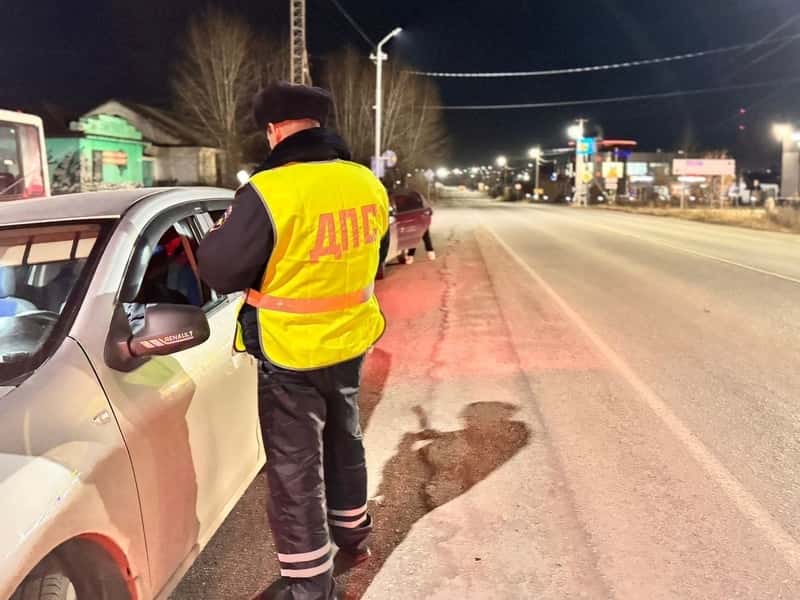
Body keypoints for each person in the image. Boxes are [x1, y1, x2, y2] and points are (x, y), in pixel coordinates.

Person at [197, 81, 390, 600]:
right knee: (344, 438)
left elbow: (220, 270)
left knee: (294, 466)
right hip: (349, 340)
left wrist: (218, 235)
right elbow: (379, 251)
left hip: (290, 350)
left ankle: (308, 585)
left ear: (274, 129)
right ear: (320, 123)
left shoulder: (268, 191)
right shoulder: (365, 182)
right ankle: (353, 531)